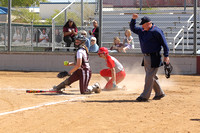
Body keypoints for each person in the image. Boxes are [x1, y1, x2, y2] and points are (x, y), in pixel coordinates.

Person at [130, 13, 170, 102]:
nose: (142, 27)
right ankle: (159, 93)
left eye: (143, 25)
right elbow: (133, 28)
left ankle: (145, 96)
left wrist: (166, 55)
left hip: (154, 56)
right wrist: (133, 20)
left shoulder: (156, 31)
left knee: (149, 76)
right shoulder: (142, 30)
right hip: (146, 57)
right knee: (151, 76)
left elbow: (164, 44)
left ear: (149, 24)